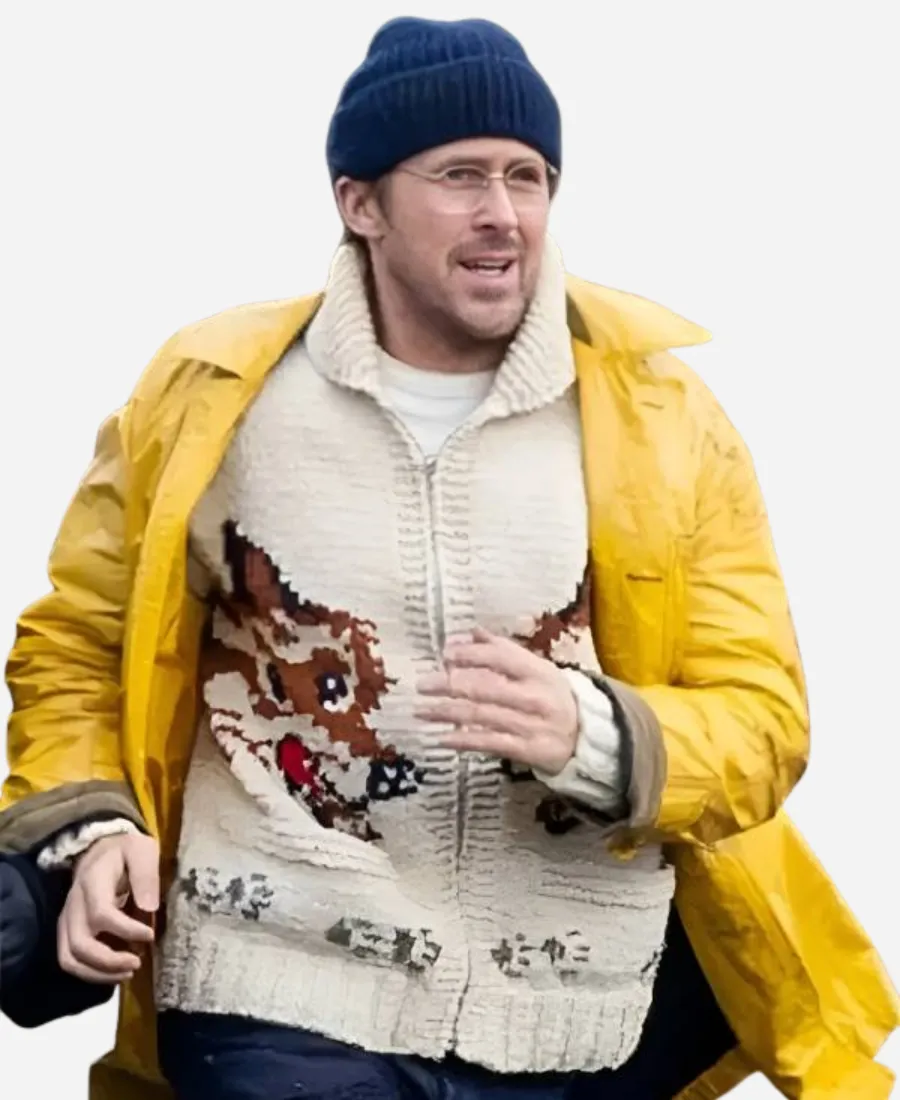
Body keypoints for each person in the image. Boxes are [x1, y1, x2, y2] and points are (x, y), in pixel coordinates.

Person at [0, 15, 896, 1100]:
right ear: (360, 203)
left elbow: (765, 715)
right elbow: (80, 648)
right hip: (273, 985)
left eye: (528, 176)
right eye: (461, 175)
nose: (503, 213)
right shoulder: (211, 397)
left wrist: (600, 736)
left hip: (576, 1016)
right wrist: (91, 825)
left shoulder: (664, 418)